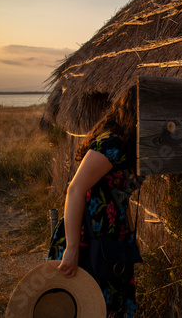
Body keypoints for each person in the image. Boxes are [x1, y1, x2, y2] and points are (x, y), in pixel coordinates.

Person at [47, 90, 143, 318]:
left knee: (103, 306)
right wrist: (71, 249)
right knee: (86, 305)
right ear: (136, 114)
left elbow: (120, 198)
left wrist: (130, 235)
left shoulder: (126, 146)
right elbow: (75, 189)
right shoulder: (113, 144)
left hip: (110, 238)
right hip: (89, 239)